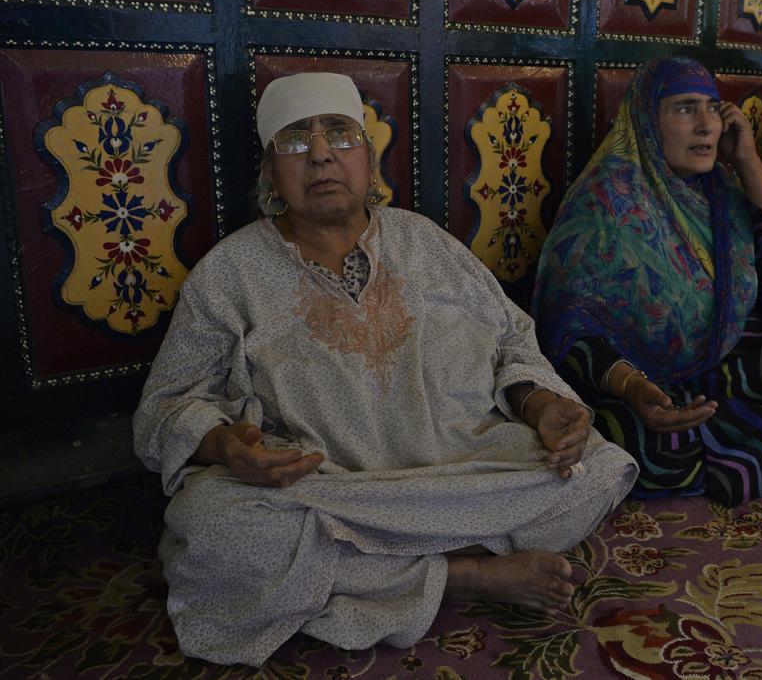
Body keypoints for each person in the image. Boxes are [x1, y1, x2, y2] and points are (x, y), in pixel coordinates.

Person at [133, 73, 638, 666]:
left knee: (597, 467)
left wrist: (540, 405)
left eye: (340, 134)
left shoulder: (425, 242)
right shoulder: (229, 274)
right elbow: (163, 409)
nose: (321, 153)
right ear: (270, 173)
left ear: (369, 158)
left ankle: (374, 569)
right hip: (328, 493)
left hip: (458, 467)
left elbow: (513, 341)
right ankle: (464, 574)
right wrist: (226, 447)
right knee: (217, 529)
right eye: (296, 142)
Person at [532, 57, 762, 507]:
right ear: (646, 121)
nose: (705, 125)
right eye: (684, 108)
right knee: (652, 446)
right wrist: (636, 388)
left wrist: (748, 159)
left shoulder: (718, 190)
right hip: (635, 382)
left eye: (713, 108)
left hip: (719, 358)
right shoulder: (608, 200)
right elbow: (566, 328)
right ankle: (739, 447)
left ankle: (728, 451)